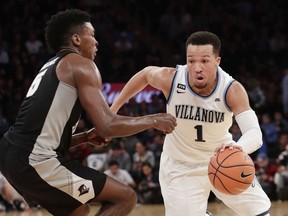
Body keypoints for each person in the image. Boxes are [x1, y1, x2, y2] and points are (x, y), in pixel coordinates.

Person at [0, 9, 177, 216]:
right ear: (76, 39)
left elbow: (39, 134)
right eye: (91, 35)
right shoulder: (82, 65)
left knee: (79, 210)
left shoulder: (50, 65)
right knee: (125, 197)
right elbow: (107, 125)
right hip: (33, 160)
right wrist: (154, 118)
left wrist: (85, 137)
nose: (96, 42)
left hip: (10, 153)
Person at [111, 31, 271, 216]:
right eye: (191, 61)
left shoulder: (231, 89)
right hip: (180, 166)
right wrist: (112, 110)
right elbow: (146, 74)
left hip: (221, 160)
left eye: (204, 61)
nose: (197, 67)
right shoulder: (171, 79)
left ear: (217, 61)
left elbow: (254, 133)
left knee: (261, 214)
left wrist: (238, 147)